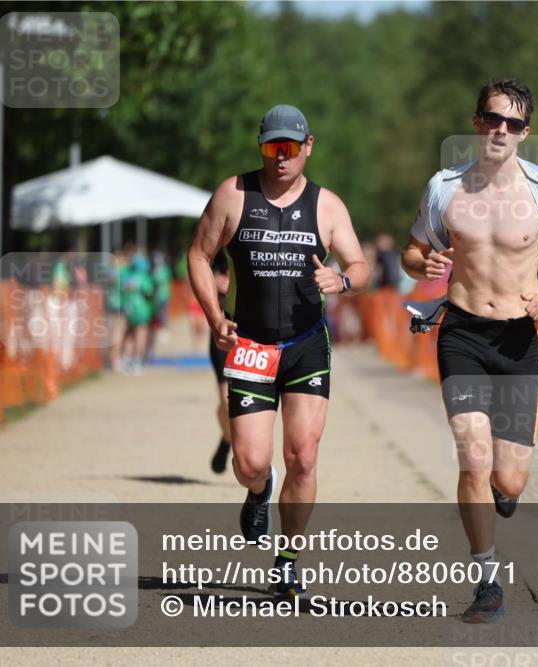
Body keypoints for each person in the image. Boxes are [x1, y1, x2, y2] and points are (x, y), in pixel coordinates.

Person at [401, 79, 538, 623]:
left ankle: (503, 493)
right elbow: (414, 249)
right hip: (463, 335)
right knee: (473, 458)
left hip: (520, 339)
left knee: (509, 480)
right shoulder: (444, 188)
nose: (502, 131)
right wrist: (422, 265)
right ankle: (487, 580)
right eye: (493, 119)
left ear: (527, 132)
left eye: (515, 124)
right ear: (477, 122)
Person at [188, 104, 369, 597]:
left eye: (291, 147)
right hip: (249, 342)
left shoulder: (327, 206)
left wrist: (344, 277)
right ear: (261, 146)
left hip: (306, 343)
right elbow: (199, 255)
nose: (282, 157)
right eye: (273, 147)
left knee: (304, 456)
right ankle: (258, 489)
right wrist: (214, 314)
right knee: (248, 460)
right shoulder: (234, 194)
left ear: (308, 146)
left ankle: (287, 557)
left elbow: (360, 261)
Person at [208, 250, 233, 474]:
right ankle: (228, 438)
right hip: (224, 333)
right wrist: (214, 285)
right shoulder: (217, 251)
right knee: (227, 403)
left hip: (255, 333)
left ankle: (230, 440)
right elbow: (196, 273)